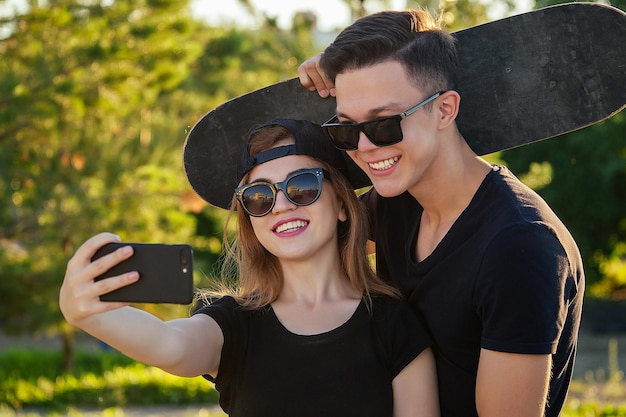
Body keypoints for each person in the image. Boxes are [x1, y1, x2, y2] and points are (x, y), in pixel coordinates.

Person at [297, 9, 584, 417]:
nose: (363, 147)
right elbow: (305, 250)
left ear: (446, 110)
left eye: (383, 125)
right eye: (344, 129)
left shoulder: (518, 247)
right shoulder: (395, 202)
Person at [59, 118, 440, 417]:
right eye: (260, 197)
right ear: (252, 222)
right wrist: (87, 314)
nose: (283, 205)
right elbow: (171, 346)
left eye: (303, 186)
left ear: (342, 205)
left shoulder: (394, 324)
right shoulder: (234, 324)